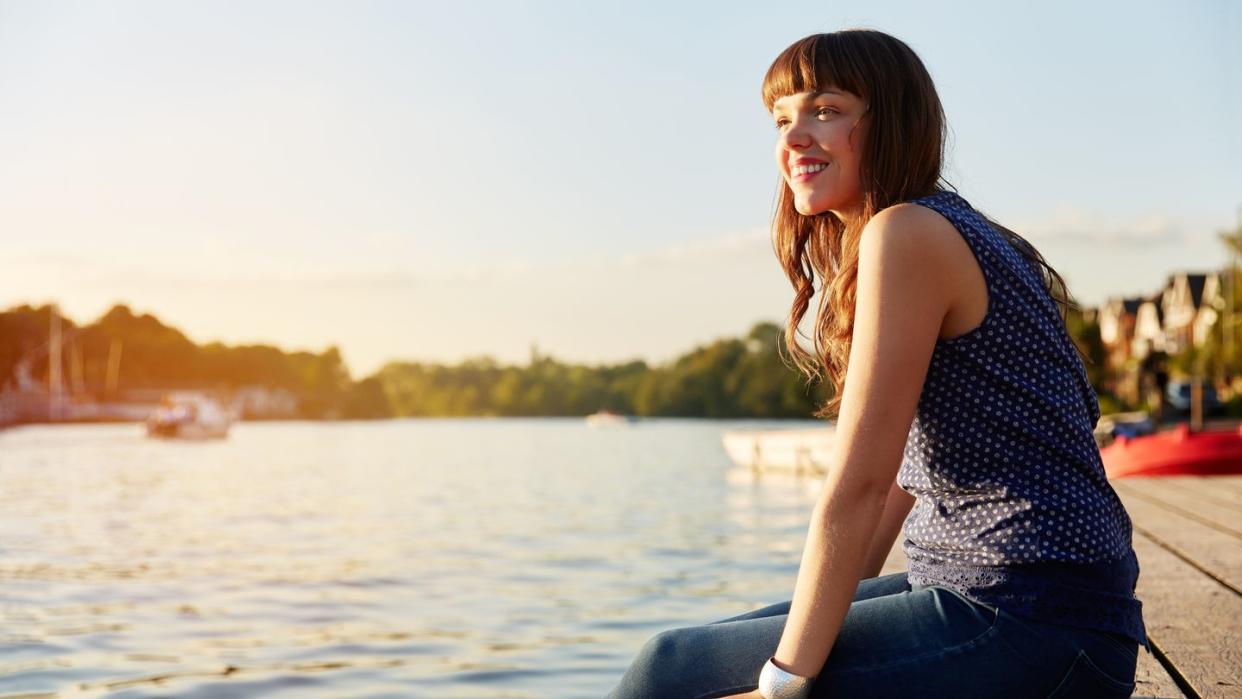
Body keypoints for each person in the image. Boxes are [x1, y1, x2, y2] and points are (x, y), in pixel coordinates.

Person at [608, 29, 1146, 699]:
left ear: (891, 121)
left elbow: (858, 484)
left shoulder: (908, 233)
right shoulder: (948, 228)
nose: (794, 137)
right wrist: (829, 633)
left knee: (670, 672)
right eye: (782, 119)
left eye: (825, 110)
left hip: (1034, 620)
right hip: (1036, 608)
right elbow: (897, 479)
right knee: (688, 659)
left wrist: (788, 684)